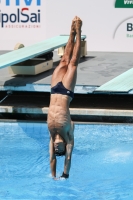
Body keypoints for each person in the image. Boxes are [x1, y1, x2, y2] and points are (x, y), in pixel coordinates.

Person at [47, 16, 82, 179]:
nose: (55, 147)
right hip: (66, 92)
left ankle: (71, 32)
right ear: (64, 147)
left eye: (55, 149)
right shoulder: (69, 137)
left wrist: (52, 176)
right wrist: (64, 174)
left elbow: (52, 159)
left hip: (54, 90)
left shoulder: (52, 135)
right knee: (73, 63)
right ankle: (79, 31)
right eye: (57, 149)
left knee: (63, 60)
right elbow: (67, 158)